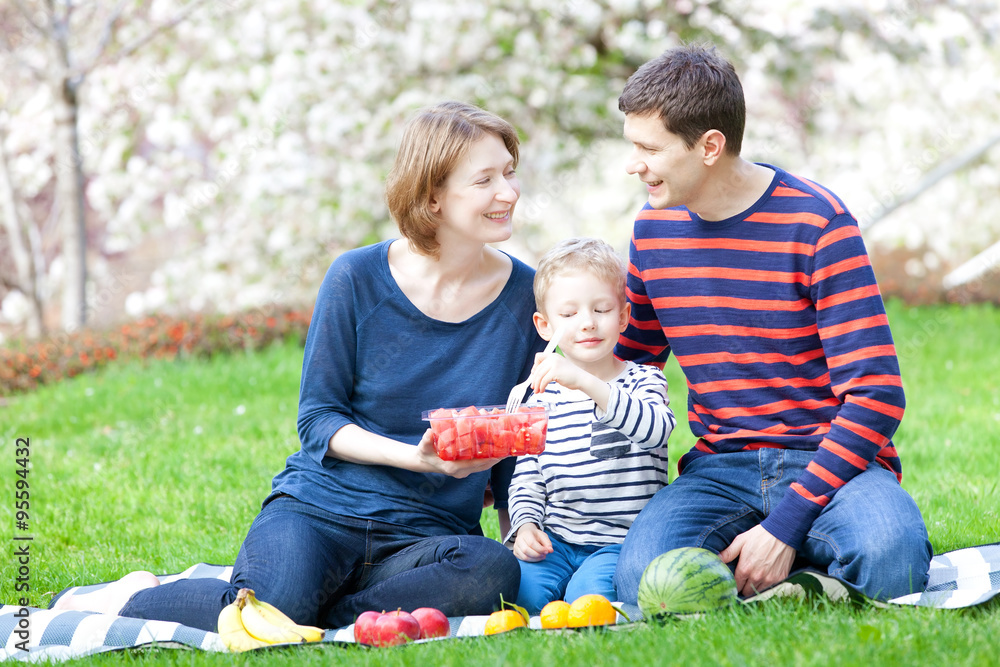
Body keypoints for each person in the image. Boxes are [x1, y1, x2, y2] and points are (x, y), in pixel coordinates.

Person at [52, 101, 546, 630]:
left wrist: (516, 529)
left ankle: (309, 613)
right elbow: (318, 420)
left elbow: (511, 436)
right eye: (485, 180)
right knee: (279, 604)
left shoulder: (524, 295)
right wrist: (417, 459)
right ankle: (139, 596)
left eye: (509, 173)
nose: (508, 192)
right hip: (320, 511)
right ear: (432, 197)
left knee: (491, 570)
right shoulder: (356, 277)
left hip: (428, 533)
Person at [611, 44, 932, 604]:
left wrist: (785, 525)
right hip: (720, 468)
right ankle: (806, 569)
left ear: (710, 147)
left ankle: (787, 551)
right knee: (641, 580)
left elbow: (877, 396)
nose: (633, 164)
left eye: (649, 149)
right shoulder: (652, 232)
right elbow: (633, 360)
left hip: (832, 463)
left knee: (893, 562)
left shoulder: (817, 223)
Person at [505, 237, 676, 614]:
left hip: (619, 542)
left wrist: (584, 382)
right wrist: (527, 525)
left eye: (601, 309)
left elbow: (655, 431)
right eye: (569, 314)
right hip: (556, 541)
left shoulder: (644, 381)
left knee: (588, 603)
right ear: (545, 326)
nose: (587, 323)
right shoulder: (540, 401)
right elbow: (527, 478)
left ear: (623, 317)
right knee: (520, 600)